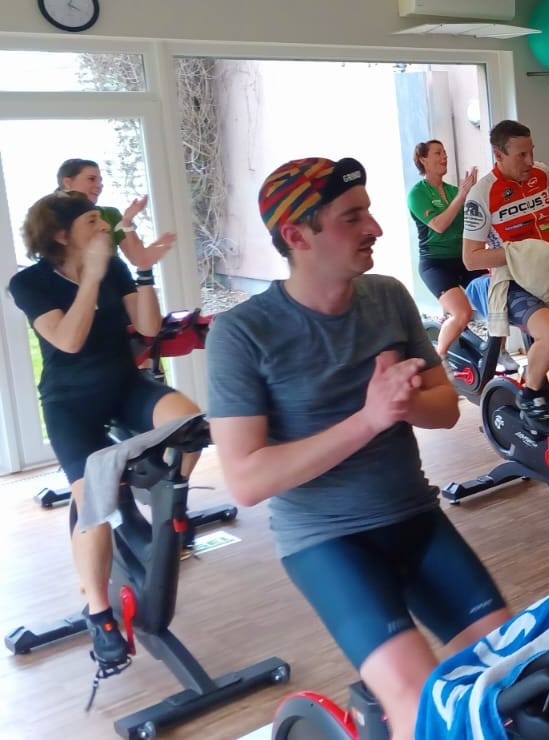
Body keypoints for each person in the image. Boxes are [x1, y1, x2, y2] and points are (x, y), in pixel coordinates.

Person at [207, 157, 507, 740]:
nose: (375, 228)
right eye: (352, 217)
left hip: (415, 519)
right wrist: (370, 420)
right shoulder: (241, 334)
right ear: (297, 236)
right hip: (328, 542)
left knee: (506, 677)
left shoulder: (388, 297)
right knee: (421, 705)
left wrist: (404, 404)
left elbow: (446, 408)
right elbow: (245, 480)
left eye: (367, 211)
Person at [7, 191, 199, 672]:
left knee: (189, 424)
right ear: (60, 234)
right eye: (93, 220)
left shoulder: (114, 265)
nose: (104, 227)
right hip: (71, 404)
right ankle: (98, 613)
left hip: (125, 386)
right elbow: (68, 341)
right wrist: (90, 276)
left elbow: (148, 327)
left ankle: (157, 507)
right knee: (92, 503)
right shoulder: (29, 283)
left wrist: (144, 270)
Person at [461, 120, 549, 425]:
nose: (529, 161)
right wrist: (525, 253)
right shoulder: (482, 194)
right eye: (520, 155)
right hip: (511, 284)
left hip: (547, 282)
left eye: (531, 152)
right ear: (498, 154)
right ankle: (527, 395)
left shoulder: (540, 173)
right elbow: (470, 259)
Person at [407, 140, 482, 360]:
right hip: (435, 263)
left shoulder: (453, 191)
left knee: (496, 304)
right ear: (423, 160)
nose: (444, 157)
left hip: (464, 259)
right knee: (462, 313)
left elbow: (472, 224)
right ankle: (439, 358)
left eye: (445, 153)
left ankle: (501, 352)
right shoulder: (417, 193)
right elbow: (439, 225)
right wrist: (461, 196)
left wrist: (473, 196)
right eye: (438, 153)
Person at [56, 158, 176, 271]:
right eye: (91, 179)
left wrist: (127, 222)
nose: (99, 185)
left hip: (112, 284)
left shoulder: (111, 214)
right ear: (67, 182)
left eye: (100, 181)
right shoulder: (52, 216)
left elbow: (139, 259)